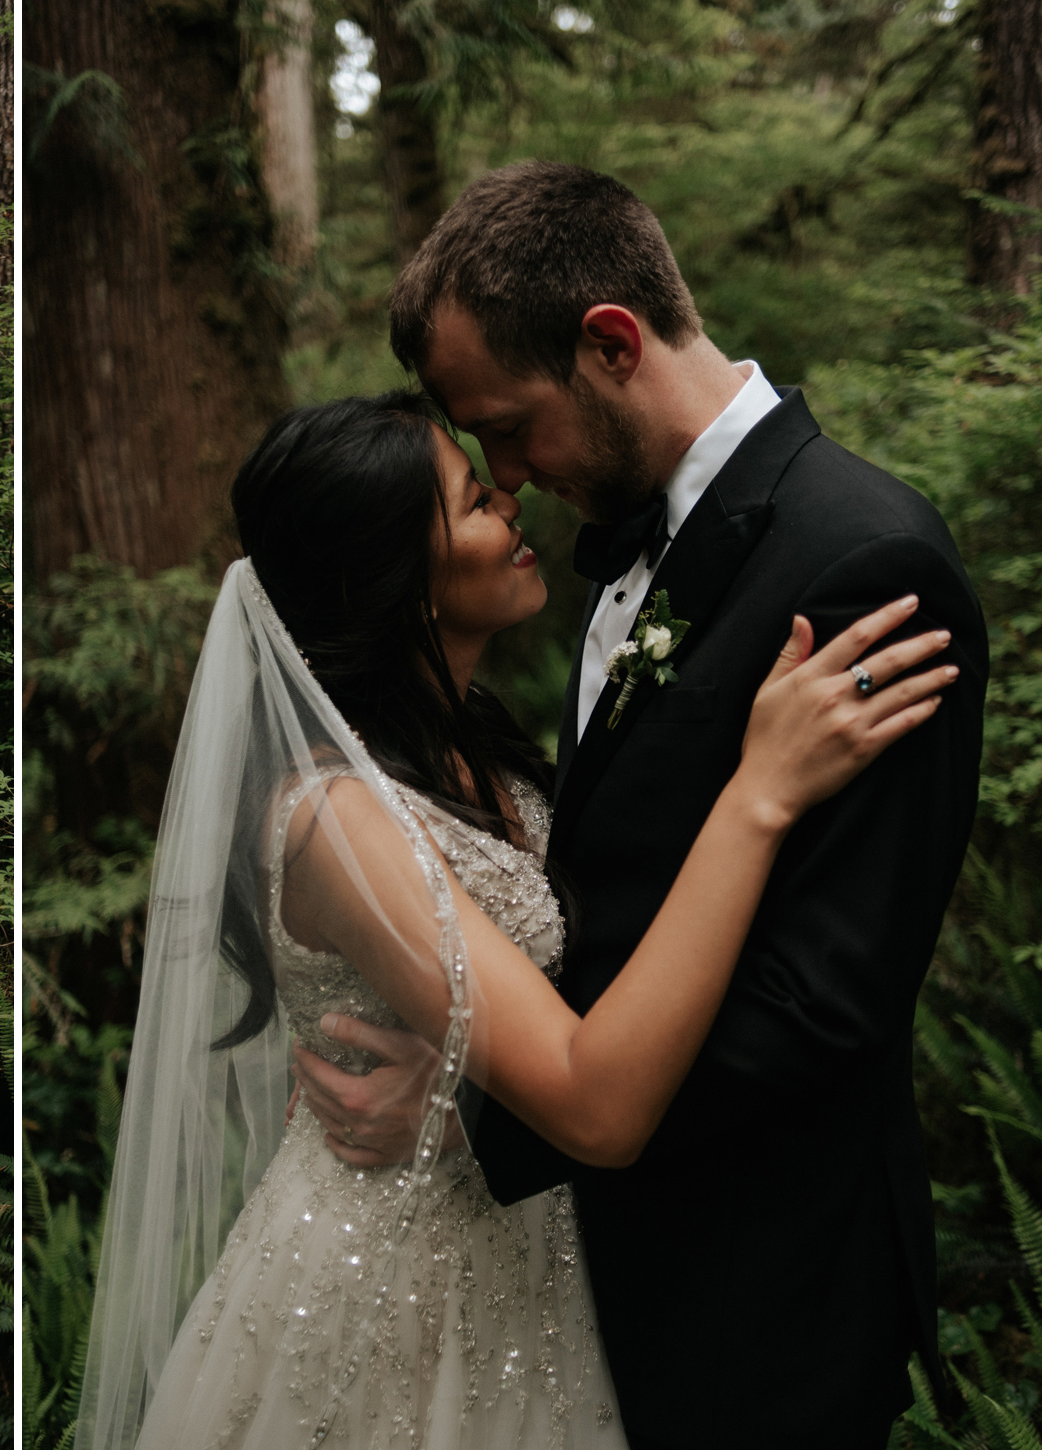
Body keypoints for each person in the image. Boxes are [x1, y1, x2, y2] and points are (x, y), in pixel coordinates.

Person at [75, 392, 961, 1450]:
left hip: (532, 1257)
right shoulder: (337, 822)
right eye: (466, 497)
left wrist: (457, 1111)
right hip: (391, 1298)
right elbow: (591, 1107)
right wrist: (758, 794)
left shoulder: (474, 750)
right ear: (397, 581)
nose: (506, 495)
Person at [291, 161, 988, 1448]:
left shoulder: (860, 560)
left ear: (608, 344)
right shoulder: (625, 536)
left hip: (759, 1296)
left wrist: (478, 1116)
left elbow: (820, 1004)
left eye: (505, 425)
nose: (499, 473)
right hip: (596, 1288)